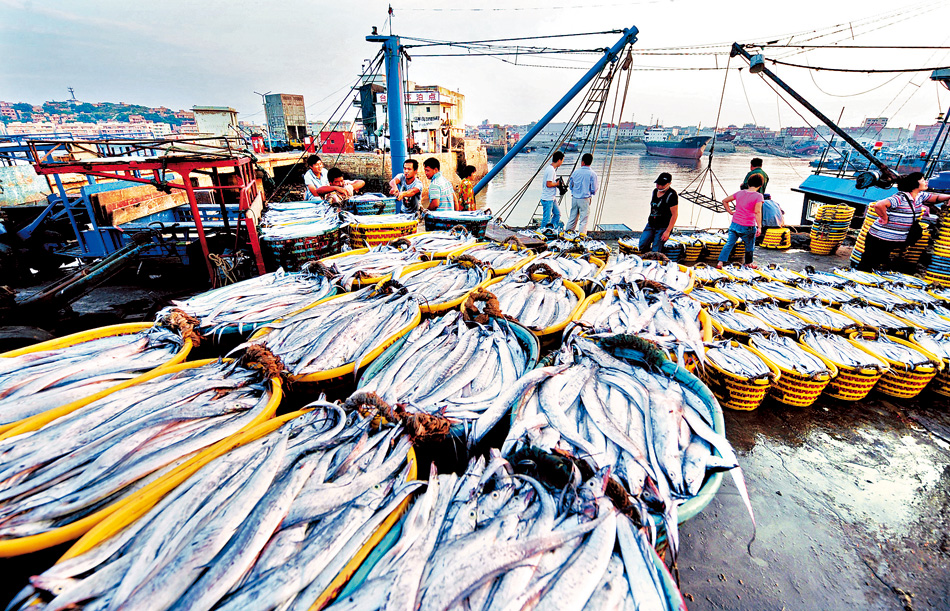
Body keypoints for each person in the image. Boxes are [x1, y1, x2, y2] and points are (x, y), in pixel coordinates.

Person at [857, 172, 950, 272]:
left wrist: (949, 197)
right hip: (879, 237)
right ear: (914, 184)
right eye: (923, 180)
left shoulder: (921, 196)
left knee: (880, 263)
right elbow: (879, 205)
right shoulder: (900, 198)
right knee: (868, 263)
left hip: (895, 239)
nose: (926, 182)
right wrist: (884, 218)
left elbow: (936, 198)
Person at [718, 174, 764, 269]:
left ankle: (720, 262)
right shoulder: (758, 196)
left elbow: (724, 201)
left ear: (748, 184)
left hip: (735, 224)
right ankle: (748, 263)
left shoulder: (739, 193)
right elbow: (757, 212)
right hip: (748, 226)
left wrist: (730, 212)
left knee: (729, 244)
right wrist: (759, 227)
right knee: (749, 246)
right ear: (760, 186)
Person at [639, 172, 679, 253]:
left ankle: (657, 260)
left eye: (662, 185)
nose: (659, 186)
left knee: (656, 249)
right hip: (651, 224)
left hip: (663, 227)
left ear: (669, 184)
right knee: (642, 244)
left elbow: (674, 215)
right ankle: (647, 258)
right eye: (658, 184)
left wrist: (667, 231)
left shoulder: (672, 195)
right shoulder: (654, 191)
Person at [567, 153, 597, 234]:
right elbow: (594, 189)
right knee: (583, 220)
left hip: (574, 198)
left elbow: (570, 186)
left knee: (572, 219)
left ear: (582, 162)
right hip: (585, 199)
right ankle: (581, 237)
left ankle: (567, 235)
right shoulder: (592, 174)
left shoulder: (575, 172)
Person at [539, 151, 565, 230]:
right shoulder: (551, 170)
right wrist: (557, 184)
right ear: (559, 160)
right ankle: (542, 232)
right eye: (562, 161)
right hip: (547, 198)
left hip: (552, 198)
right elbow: (549, 184)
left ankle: (552, 230)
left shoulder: (550, 168)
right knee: (546, 219)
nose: (562, 163)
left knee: (557, 214)